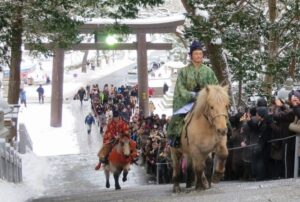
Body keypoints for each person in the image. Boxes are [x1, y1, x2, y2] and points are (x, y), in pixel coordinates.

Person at [167, 40, 218, 147]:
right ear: (191, 56)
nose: (199, 56)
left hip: (205, 102)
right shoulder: (183, 72)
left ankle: (226, 133)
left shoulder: (209, 71)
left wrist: (207, 96)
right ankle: (174, 138)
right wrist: (193, 95)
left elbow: (215, 87)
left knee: (221, 116)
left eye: (200, 53)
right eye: (196, 54)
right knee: (176, 120)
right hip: (188, 103)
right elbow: (180, 89)